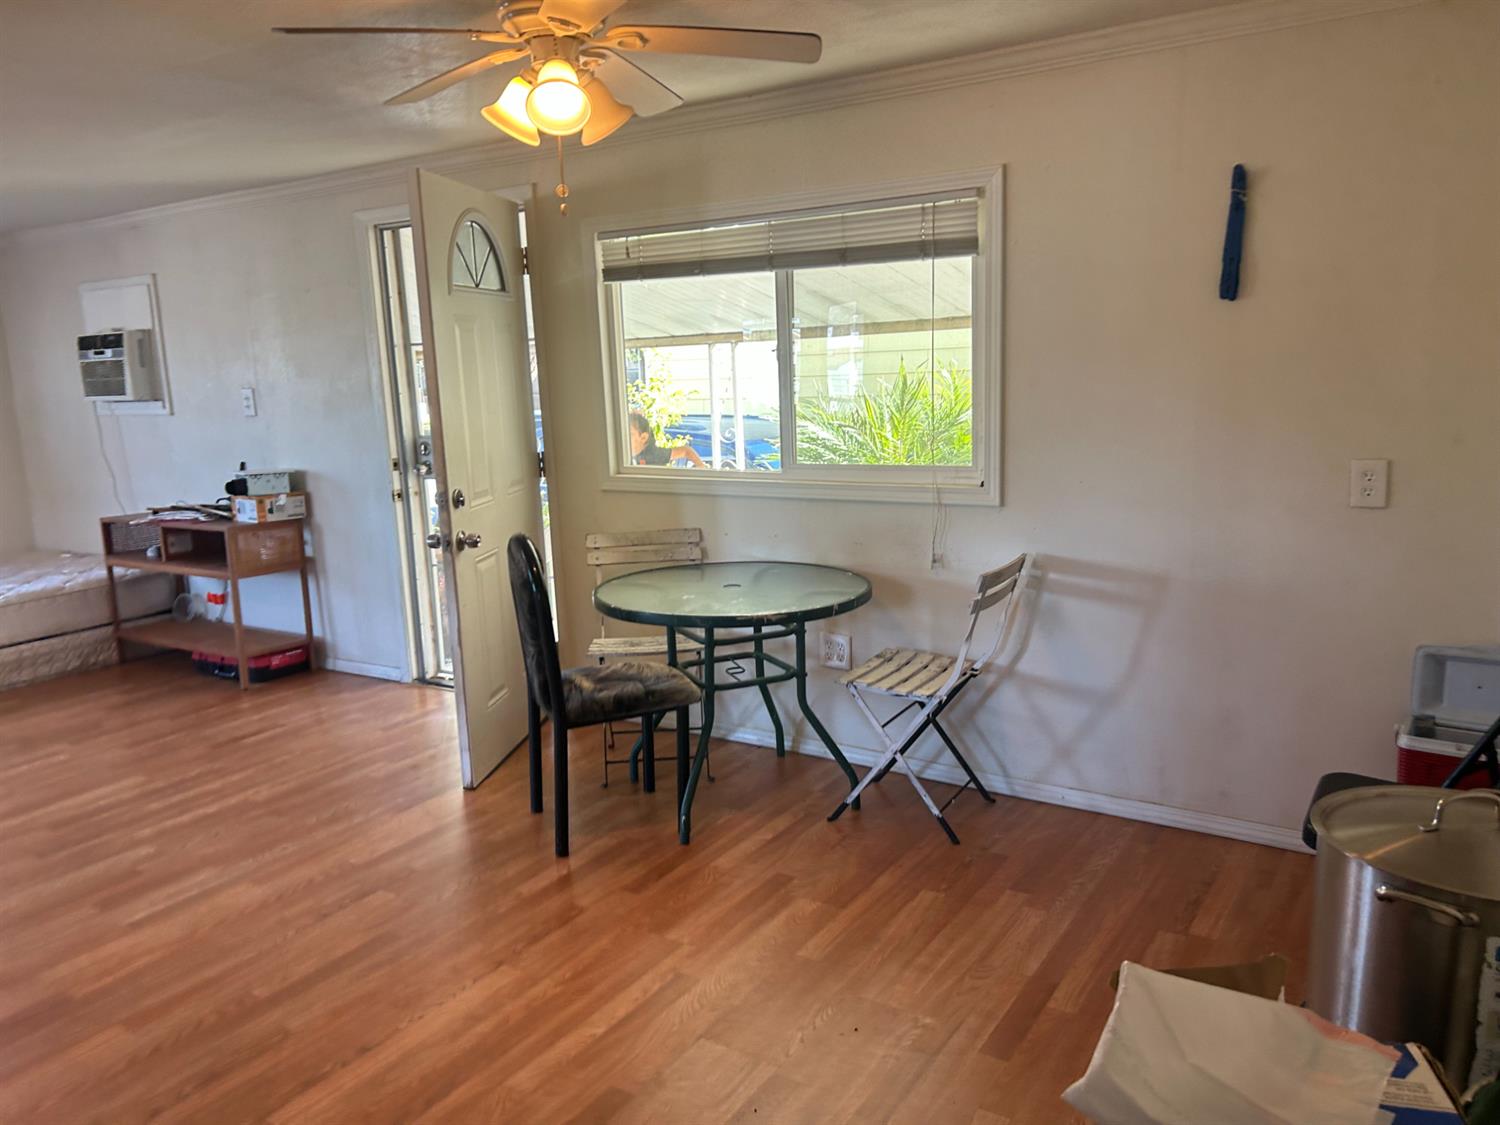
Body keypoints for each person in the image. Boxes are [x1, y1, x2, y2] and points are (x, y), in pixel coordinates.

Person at [628, 412, 704, 468]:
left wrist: (702, 468)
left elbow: (686, 451)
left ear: (643, 437)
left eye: (630, 434)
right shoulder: (624, 454)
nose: (625, 437)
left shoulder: (654, 454)